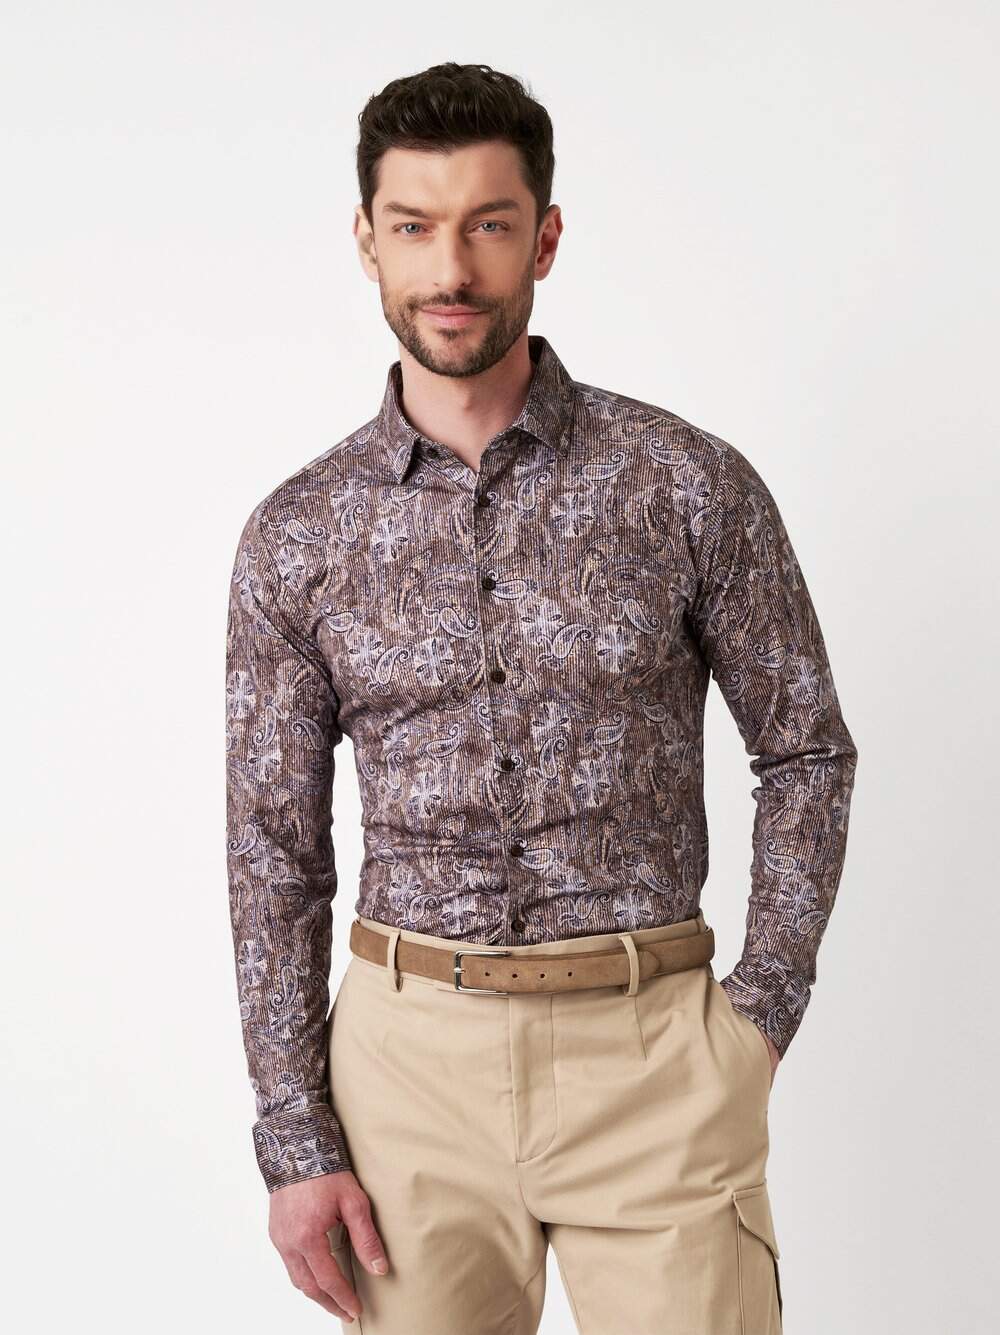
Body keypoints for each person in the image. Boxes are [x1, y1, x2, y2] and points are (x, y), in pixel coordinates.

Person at [225, 61, 858, 1333]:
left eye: (488, 225)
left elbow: (804, 751)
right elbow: (272, 848)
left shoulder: (685, 484)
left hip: (655, 1060)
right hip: (405, 1082)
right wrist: (294, 1137)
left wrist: (760, 1015)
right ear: (367, 241)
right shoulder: (299, 535)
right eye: (414, 226)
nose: (449, 267)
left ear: (545, 239)